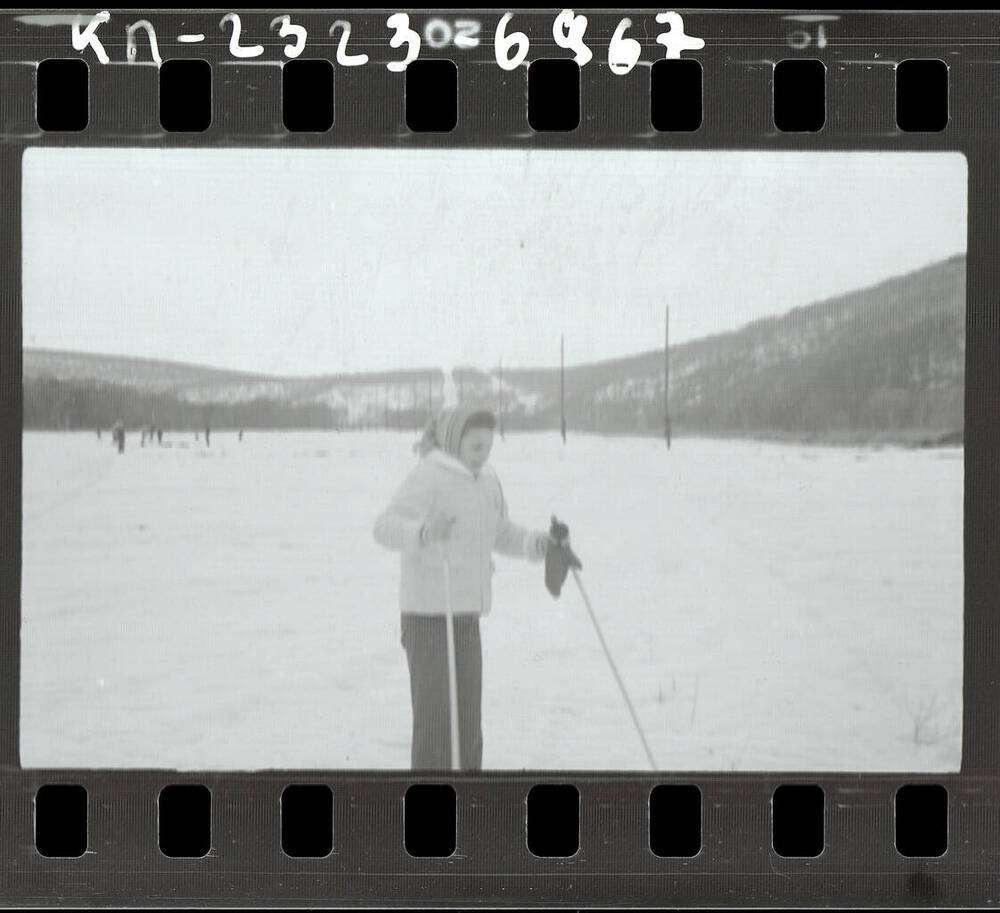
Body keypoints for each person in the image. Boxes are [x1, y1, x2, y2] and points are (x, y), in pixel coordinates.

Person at [374, 403, 551, 771]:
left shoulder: (487, 480)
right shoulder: (429, 476)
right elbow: (384, 527)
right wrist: (424, 532)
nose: (482, 455)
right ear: (455, 443)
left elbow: (499, 531)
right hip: (427, 616)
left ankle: (470, 806)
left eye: (488, 447)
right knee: (437, 724)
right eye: (475, 448)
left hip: (467, 614)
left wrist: (535, 543)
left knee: (468, 722)